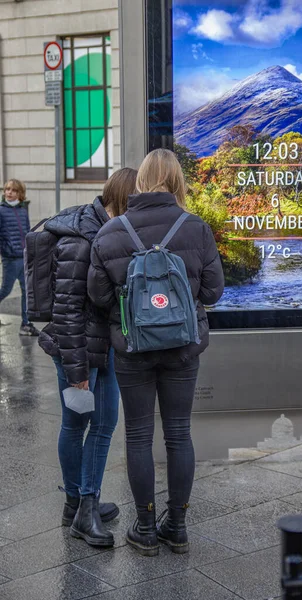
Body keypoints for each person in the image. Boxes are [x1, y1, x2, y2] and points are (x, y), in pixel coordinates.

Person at [88, 149, 225, 556]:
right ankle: (177, 526)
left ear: (141, 181)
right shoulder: (196, 228)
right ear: (178, 182)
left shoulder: (112, 232)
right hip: (184, 348)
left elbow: (97, 296)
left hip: (133, 349)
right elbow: (214, 292)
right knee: (179, 435)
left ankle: (145, 527)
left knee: (138, 436)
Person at [38, 167, 138, 548]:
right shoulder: (81, 239)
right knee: (78, 424)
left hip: (104, 347)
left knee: (105, 421)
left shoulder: (107, 229)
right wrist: (78, 371)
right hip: (76, 351)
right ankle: (80, 508)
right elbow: (66, 312)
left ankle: (83, 501)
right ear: (123, 199)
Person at [0, 179, 39, 335]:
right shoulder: (1, 210)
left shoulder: (23, 211)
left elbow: (27, 232)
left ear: (20, 193)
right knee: (5, 290)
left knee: (27, 291)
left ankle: (26, 324)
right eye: (7, 189)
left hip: (23, 257)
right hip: (10, 258)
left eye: (13, 190)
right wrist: (5, 249)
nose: (9, 192)